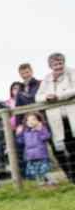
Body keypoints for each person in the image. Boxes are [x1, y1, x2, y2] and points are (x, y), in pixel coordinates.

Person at [36, 52, 75, 184]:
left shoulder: (71, 73)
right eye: (55, 64)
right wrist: (47, 97)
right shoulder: (47, 79)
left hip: (72, 116)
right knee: (64, 148)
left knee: (73, 147)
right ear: (50, 65)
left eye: (60, 63)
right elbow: (38, 97)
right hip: (57, 119)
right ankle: (72, 178)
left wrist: (58, 96)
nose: (58, 66)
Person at [17, 113, 54, 185]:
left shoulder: (41, 128)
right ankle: (41, 183)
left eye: (33, 119)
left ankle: (50, 182)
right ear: (26, 122)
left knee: (45, 170)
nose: (31, 121)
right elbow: (20, 142)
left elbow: (46, 137)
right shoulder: (25, 131)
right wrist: (19, 134)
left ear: (39, 121)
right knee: (35, 171)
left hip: (41, 155)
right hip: (31, 156)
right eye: (28, 120)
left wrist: (40, 130)